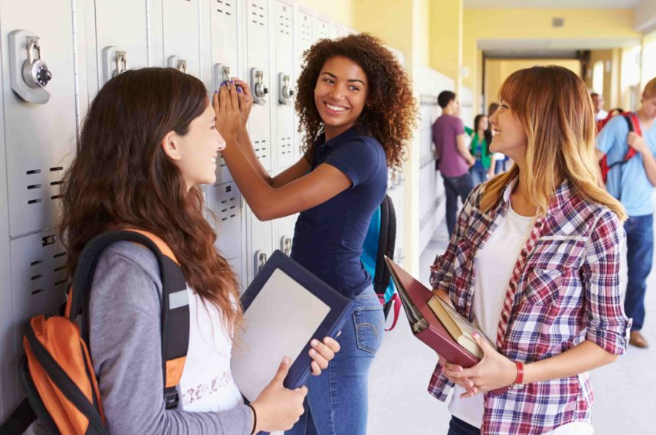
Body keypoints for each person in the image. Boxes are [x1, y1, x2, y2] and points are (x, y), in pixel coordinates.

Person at [59, 67, 340, 435]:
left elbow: (205, 366)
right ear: (171, 144)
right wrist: (256, 419)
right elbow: (137, 428)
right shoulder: (130, 266)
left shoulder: (180, 236)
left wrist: (289, 355)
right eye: (211, 127)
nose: (222, 144)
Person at [212, 33, 418, 435]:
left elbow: (266, 206)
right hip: (313, 308)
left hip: (343, 316)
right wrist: (238, 132)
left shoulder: (360, 151)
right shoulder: (329, 144)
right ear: (313, 84)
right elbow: (269, 186)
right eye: (328, 80)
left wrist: (223, 132)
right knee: (293, 426)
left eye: (353, 86)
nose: (337, 93)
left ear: (372, 98)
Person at [429, 66, 630, 435]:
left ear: (541, 120)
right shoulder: (482, 200)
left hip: (543, 419)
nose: (493, 117)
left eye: (506, 107)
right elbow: (444, 283)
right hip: (469, 413)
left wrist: (516, 373)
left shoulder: (596, 222)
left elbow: (608, 340)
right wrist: (449, 346)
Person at [596, 76, 656, 349]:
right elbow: (590, 158)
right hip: (614, 211)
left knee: (639, 274)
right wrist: (600, 192)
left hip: (643, 214)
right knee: (603, 273)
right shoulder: (620, 124)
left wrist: (643, 149)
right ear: (644, 97)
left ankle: (634, 327)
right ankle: (599, 326)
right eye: (655, 103)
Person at [433, 90, 475, 236]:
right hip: (459, 170)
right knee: (472, 206)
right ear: (450, 102)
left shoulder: (437, 123)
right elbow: (461, 146)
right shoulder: (456, 121)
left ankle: (452, 238)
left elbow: (439, 149)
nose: (458, 105)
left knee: (451, 206)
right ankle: (471, 237)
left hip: (445, 171)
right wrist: (471, 159)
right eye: (456, 102)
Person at [464, 114, 492, 186]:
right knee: (475, 188)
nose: (485, 124)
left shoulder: (489, 136)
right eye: (483, 121)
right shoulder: (473, 134)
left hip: (485, 167)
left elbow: (492, 155)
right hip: (474, 167)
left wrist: (491, 169)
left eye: (486, 122)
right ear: (477, 123)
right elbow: (462, 127)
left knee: (485, 190)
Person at [487, 102, 507, 177]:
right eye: (497, 110)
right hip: (490, 155)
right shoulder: (488, 124)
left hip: (499, 155)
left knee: (496, 176)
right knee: (490, 176)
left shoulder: (501, 123)